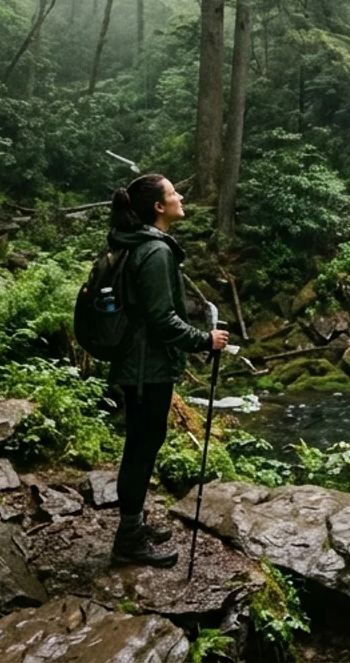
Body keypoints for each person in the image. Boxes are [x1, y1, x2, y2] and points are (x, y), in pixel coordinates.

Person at [104, 172, 228, 568]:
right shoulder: (154, 251)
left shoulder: (139, 244)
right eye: (173, 193)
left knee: (142, 445)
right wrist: (204, 341)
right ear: (159, 207)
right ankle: (128, 540)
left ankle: (134, 523)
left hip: (140, 364)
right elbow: (161, 320)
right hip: (146, 369)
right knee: (140, 450)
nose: (180, 197)